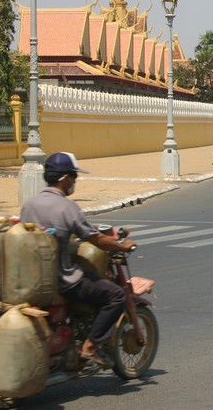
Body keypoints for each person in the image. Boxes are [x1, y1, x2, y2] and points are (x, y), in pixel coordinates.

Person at [20, 152, 136, 369]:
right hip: (63, 280)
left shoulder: (29, 204)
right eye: (74, 177)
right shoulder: (68, 207)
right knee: (116, 295)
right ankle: (90, 347)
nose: (75, 182)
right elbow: (96, 239)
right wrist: (122, 245)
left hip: (32, 277)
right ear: (64, 178)